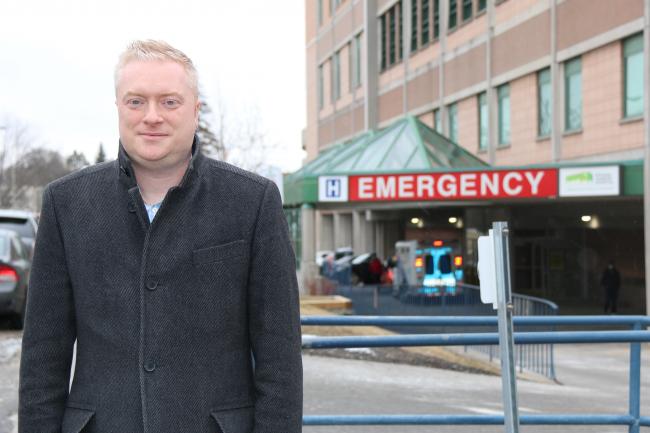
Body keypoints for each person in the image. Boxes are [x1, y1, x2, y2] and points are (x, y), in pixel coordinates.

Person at [18, 40, 303, 433]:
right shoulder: (65, 204)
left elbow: (280, 359)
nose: (152, 116)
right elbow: (42, 358)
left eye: (169, 102)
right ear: (118, 106)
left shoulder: (253, 202)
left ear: (195, 110)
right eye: (136, 101)